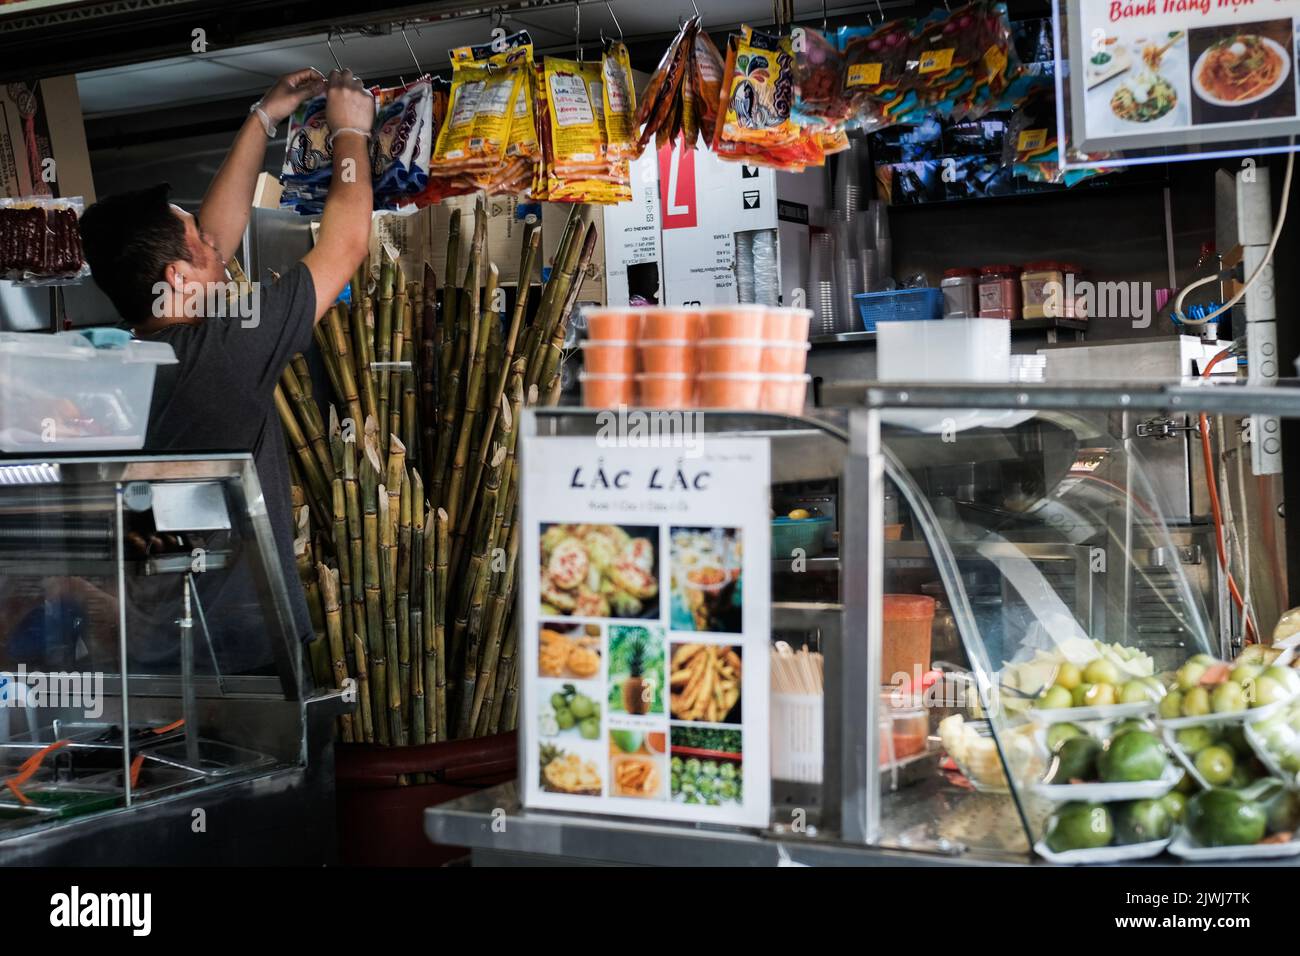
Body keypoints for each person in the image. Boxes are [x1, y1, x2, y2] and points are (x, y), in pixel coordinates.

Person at [78, 68, 375, 679]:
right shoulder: (222, 347)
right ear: (180, 282)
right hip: (242, 650)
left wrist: (264, 118)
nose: (219, 251)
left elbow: (211, 234)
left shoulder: (132, 364)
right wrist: (350, 133)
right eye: (204, 249)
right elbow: (345, 244)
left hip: (153, 644)